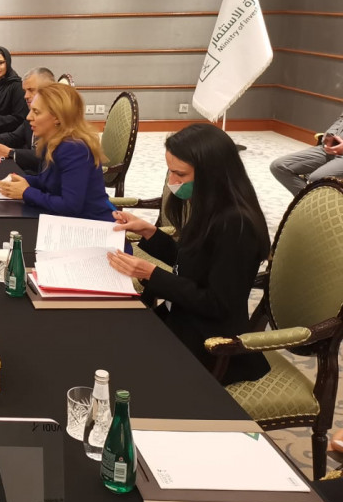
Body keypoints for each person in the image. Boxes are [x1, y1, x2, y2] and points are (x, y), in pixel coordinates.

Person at [106, 124, 271, 385]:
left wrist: (152, 274)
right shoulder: (210, 205)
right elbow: (191, 263)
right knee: (109, 334)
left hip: (212, 343)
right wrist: (150, 232)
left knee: (118, 361)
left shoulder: (237, 226)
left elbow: (217, 304)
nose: (171, 182)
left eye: (179, 174)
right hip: (182, 317)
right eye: (169, 171)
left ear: (211, 173)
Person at [0, 83, 115, 222]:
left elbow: (70, 206)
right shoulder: (52, 141)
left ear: (58, 117)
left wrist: (26, 192)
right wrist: (24, 181)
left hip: (93, 226)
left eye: (36, 112)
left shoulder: (74, 148)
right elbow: (50, 182)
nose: (28, 117)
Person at [0, 67, 55, 173]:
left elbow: (46, 157)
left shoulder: (58, 120)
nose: (25, 96)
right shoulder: (30, 114)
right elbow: (15, 137)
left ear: (48, 90)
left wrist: (10, 152)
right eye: (25, 91)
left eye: (31, 90)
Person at [269, 111, 343, 196]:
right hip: (329, 148)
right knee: (279, 166)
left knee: (317, 179)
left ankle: (315, 202)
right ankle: (310, 202)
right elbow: (340, 120)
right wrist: (329, 136)